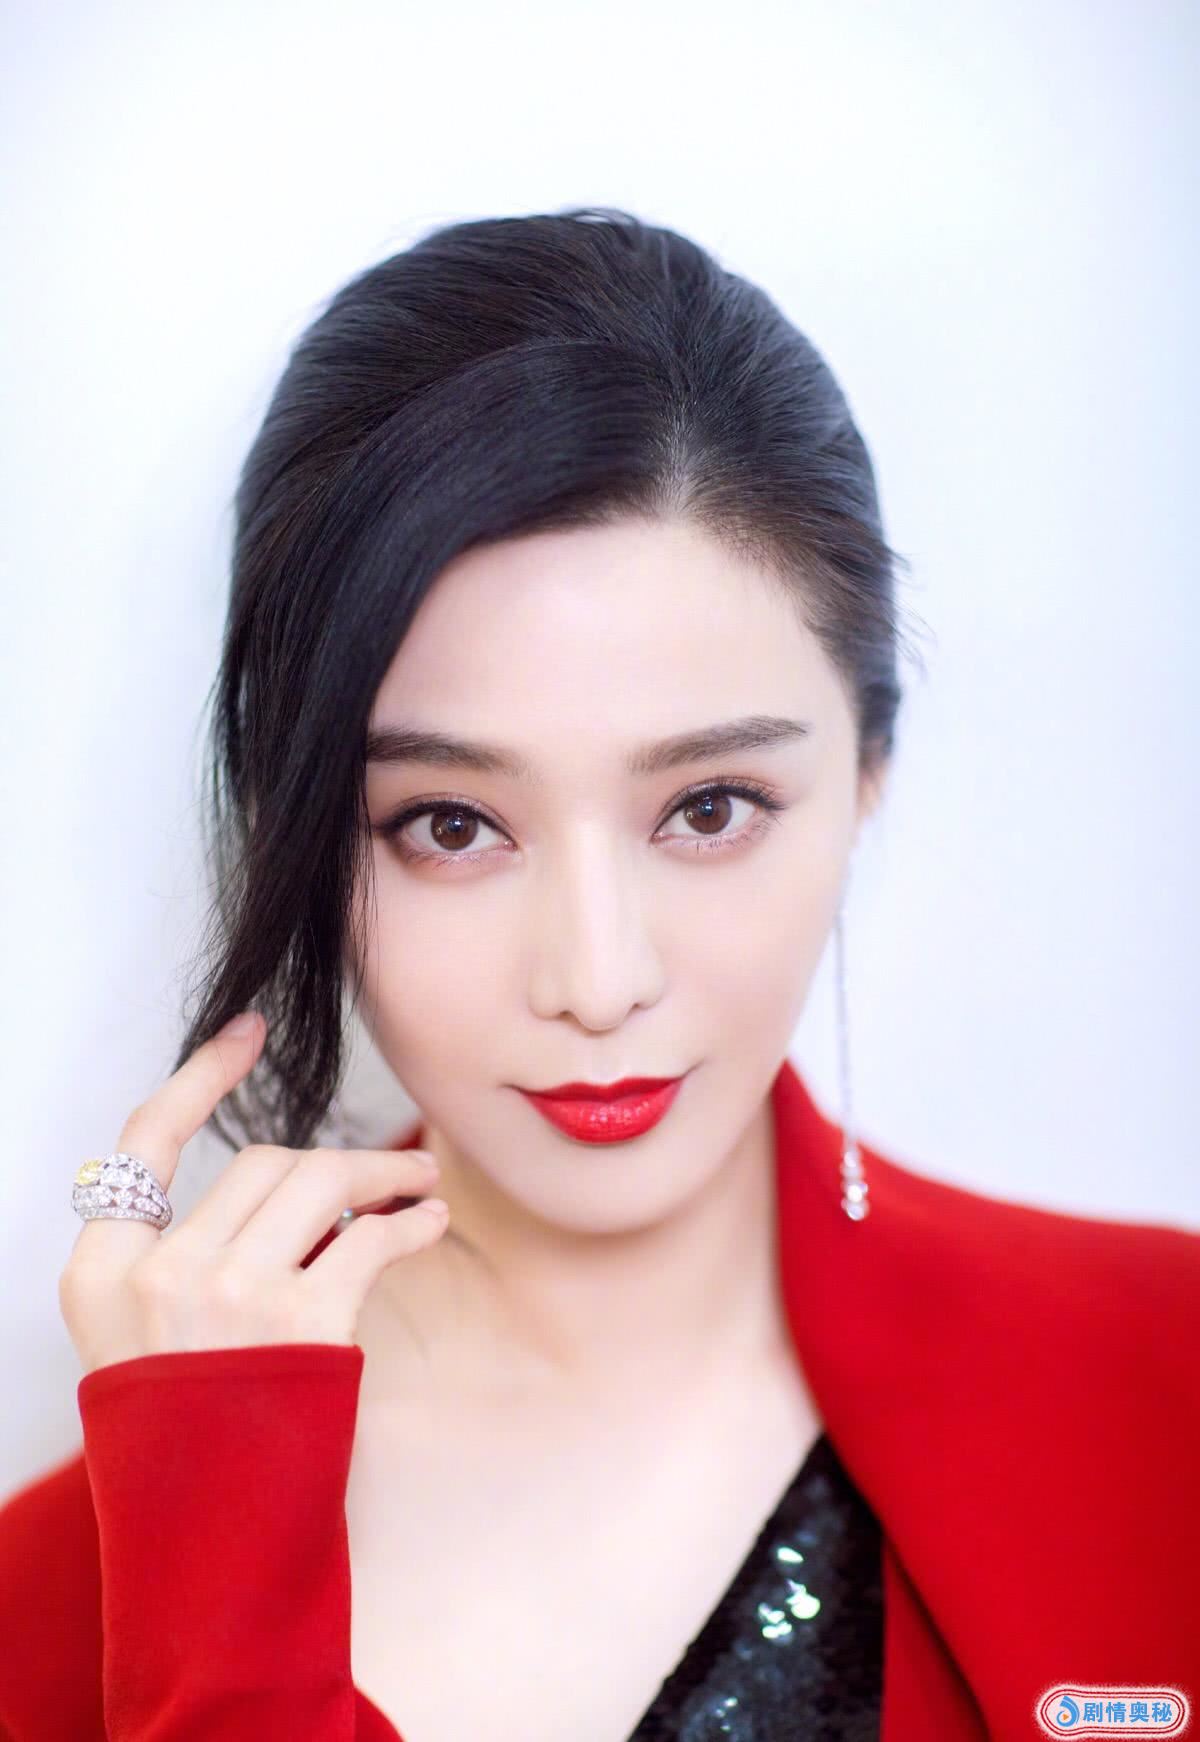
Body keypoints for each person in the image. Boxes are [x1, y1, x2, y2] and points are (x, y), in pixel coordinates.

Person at [0, 207, 1195, 1742]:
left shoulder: (1162, 1383)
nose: (597, 976)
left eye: (710, 808)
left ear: (866, 776)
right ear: (299, 828)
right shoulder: (58, 1600)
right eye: (450, 823)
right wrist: (208, 1542)